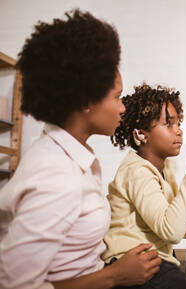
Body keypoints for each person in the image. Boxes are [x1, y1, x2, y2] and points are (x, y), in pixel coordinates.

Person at [0, 10, 162, 289]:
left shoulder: (71, 157)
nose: (123, 107)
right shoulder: (56, 175)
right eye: (117, 97)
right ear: (87, 101)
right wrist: (115, 275)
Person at [102, 83, 186, 289]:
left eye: (178, 123)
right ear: (141, 134)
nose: (178, 131)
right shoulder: (137, 171)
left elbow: (165, 219)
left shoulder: (162, 169)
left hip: (152, 263)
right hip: (132, 266)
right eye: (168, 124)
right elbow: (171, 231)